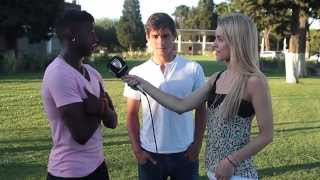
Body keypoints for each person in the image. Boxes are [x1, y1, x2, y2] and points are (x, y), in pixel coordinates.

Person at [123, 13, 273, 180]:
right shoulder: (216, 78)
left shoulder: (254, 81)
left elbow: (266, 135)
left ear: (237, 42)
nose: (214, 44)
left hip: (239, 174)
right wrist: (141, 83)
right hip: (213, 172)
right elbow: (180, 105)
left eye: (220, 39)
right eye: (215, 38)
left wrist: (231, 161)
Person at [123, 13, 206, 180]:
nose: (160, 42)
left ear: (174, 36)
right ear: (147, 37)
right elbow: (131, 114)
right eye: (155, 36)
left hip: (184, 152)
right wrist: (137, 150)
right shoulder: (137, 72)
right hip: (150, 152)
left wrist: (197, 145)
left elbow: (201, 111)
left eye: (165, 35)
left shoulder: (193, 68)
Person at [42, 10, 117, 179]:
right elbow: (81, 134)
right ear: (72, 35)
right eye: (90, 31)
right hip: (69, 172)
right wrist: (101, 109)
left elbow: (112, 121)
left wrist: (99, 109)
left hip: (98, 166)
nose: (96, 39)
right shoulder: (59, 73)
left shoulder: (93, 73)